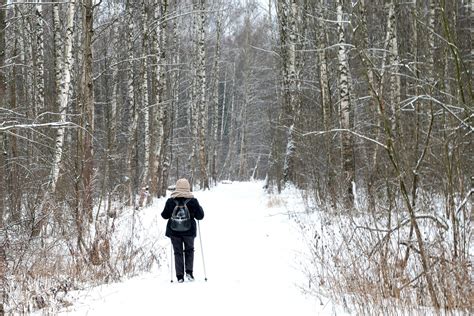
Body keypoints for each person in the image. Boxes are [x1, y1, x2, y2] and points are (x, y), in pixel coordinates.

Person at [161, 178, 204, 283]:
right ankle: (189, 272)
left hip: (174, 231)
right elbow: (200, 216)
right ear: (188, 188)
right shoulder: (193, 201)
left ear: (177, 187)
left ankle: (180, 276)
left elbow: (164, 215)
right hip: (189, 231)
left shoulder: (171, 201)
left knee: (178, 252)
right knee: (189, 250)